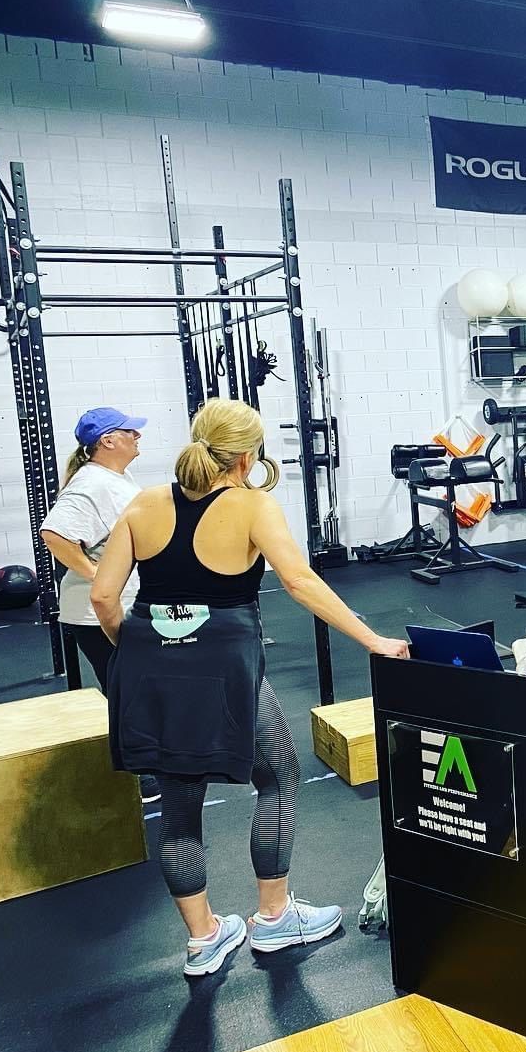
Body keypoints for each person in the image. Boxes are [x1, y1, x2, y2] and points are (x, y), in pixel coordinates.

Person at [91, 398, 409, 977]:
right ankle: (274, 918)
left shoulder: (143, 503)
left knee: (179, 807)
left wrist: (143, 657)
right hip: (227, 666)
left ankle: (203, 938)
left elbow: (103, 599)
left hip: (152, 671)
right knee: (278, 776)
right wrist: (372, 640)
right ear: (245, 456)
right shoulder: (252, 505)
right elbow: (298, 580)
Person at [39, 407, 159, 803]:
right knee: (127, 690)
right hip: (95, 612)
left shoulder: (115, 477)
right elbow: (55, 535)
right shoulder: (90, 484)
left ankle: (145, 766)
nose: (137, 437)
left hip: (116, 605)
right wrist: (97, 573)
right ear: (107, 440)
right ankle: (140, 779)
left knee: (136, 686)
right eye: (131, 432)